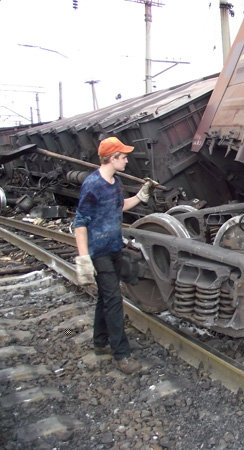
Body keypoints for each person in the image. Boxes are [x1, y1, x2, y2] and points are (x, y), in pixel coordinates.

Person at [73, 136, 156, 375]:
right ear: (112, 158)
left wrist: (141, 196)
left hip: (113, 248)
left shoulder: (114, 182)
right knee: (114, 301)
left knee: (106, 298)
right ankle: (122, 355)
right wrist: (83, 258)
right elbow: (80, 223)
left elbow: (119, 207)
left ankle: (100, 342)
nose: (127, 160)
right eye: (124, 156)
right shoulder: (92, 185)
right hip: (98, 252)